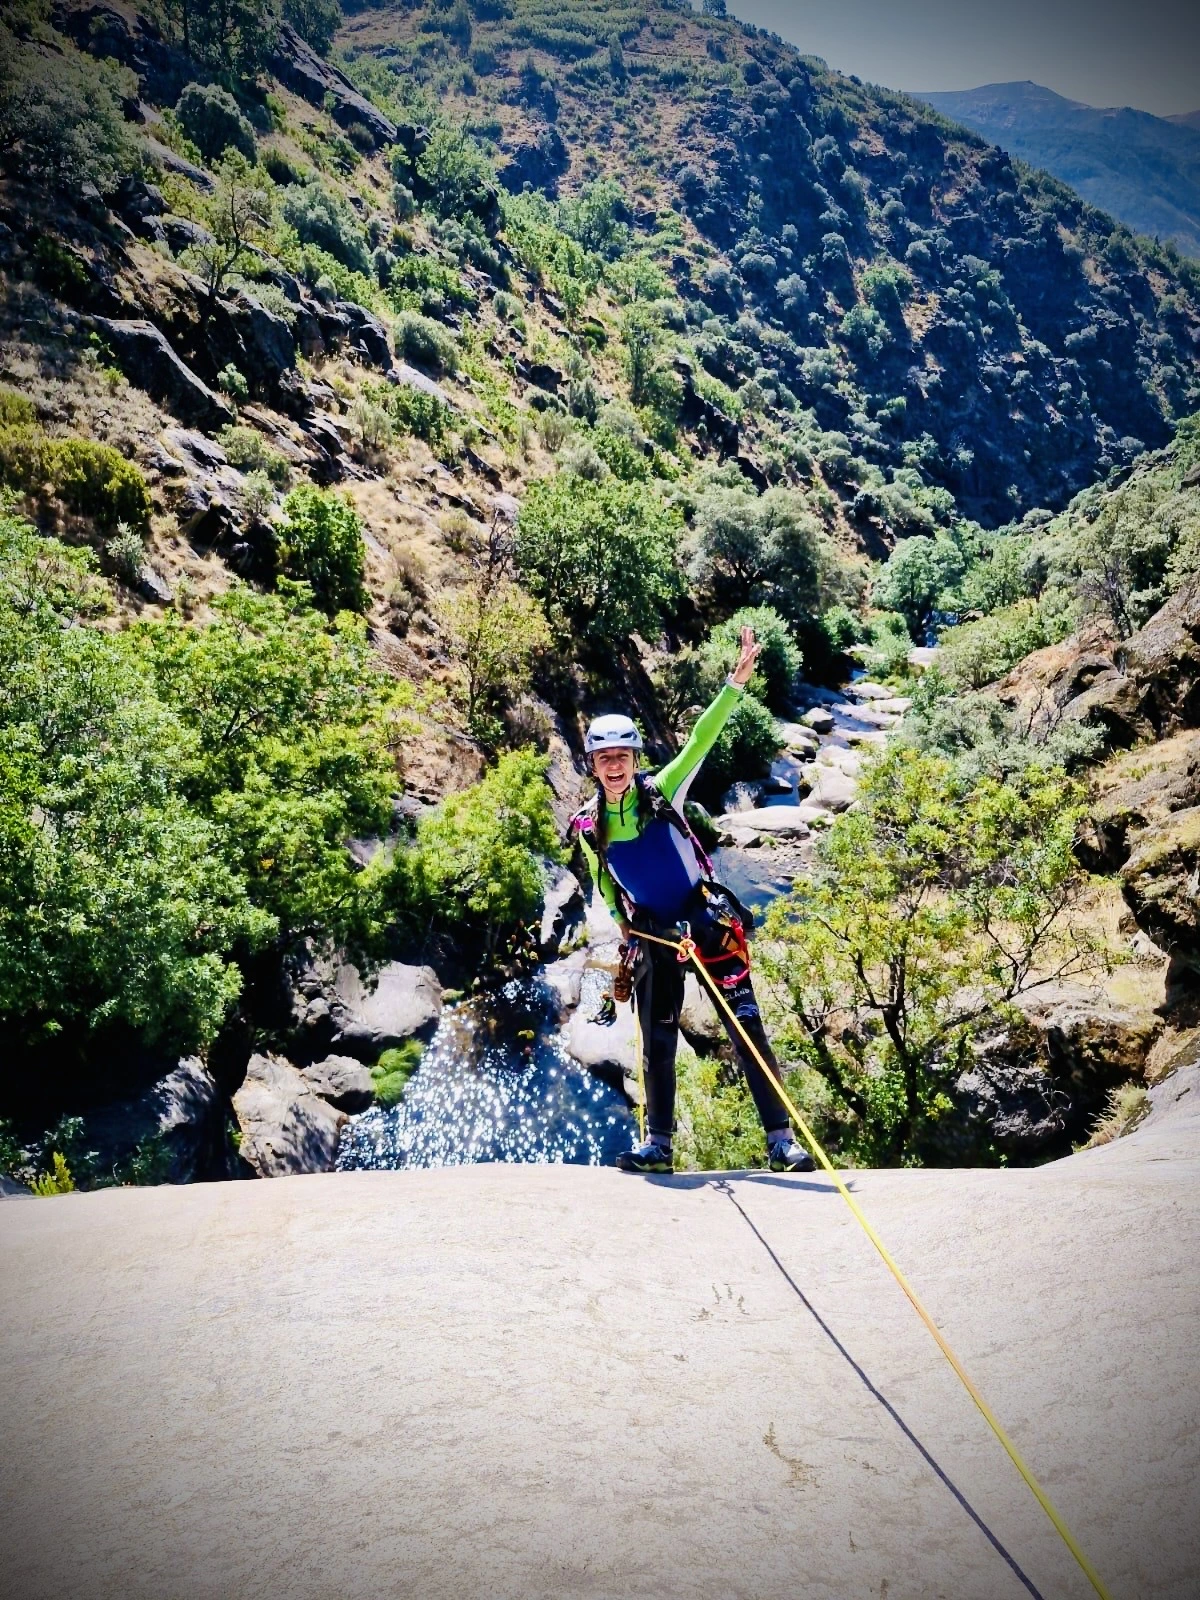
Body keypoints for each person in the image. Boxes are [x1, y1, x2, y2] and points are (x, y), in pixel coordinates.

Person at [571, 626, 816, 1175]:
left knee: (745, 1025)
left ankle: (780, 1140)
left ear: (635, 758)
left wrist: (734, 685)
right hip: (655, 931)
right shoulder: (589, 825)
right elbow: (602, 878)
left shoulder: (664, 790)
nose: (614, 765)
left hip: (704, 920)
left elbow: (698, 741)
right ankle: (659, 1145)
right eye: (604, 757)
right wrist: (622, 925)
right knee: (657, 1039)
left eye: (622, 756)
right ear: (593, 764)